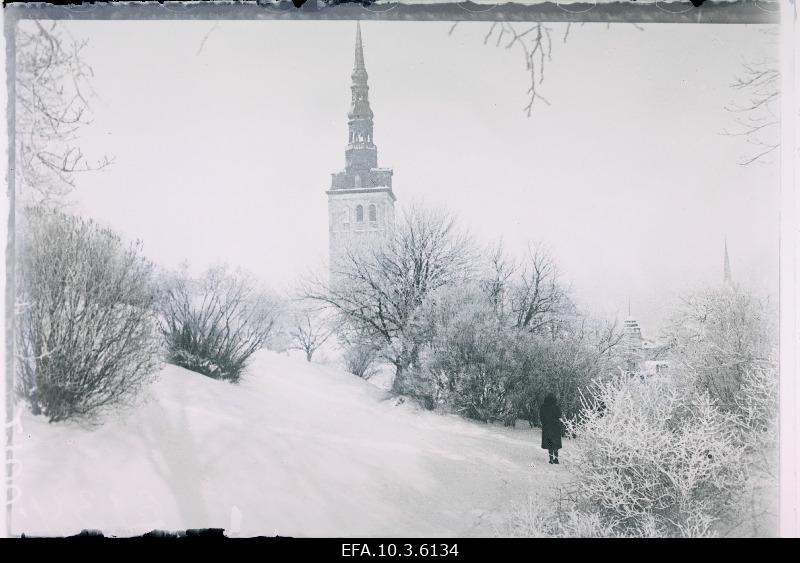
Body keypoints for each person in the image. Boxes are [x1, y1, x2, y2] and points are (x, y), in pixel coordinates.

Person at [540, 394, 563, 464]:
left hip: (547, 427)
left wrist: (544, 423)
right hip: (556, 428)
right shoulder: (556, 407)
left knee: (549, 444)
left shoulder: (543, 407)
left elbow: (541, 417)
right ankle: (556, 459)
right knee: (555, 444)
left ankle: (551, 459)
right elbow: (560, 416)